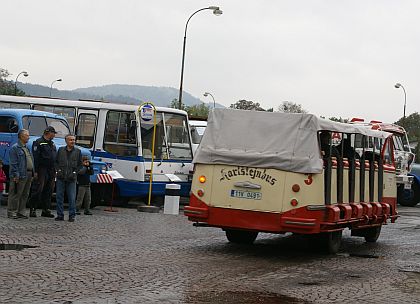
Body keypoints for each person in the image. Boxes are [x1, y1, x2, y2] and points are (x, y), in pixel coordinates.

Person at [29, 126, 57, 218]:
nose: (54, 135)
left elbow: (54, 157)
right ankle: (33, 209)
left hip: (51, 169)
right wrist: (36, 171)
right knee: (38, 189)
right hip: (42, 169)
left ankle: (46, 209)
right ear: (49, 133)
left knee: (49, 190)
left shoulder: (52, 144)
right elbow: (36, 158)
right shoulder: (38, 142)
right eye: (53, 133)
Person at [55, 134, 82, 222]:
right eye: (70, 140)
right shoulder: (60, 150)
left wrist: (74, 173)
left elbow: (80, 165)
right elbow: (56, 162)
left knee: (71, 197)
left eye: (74, 140)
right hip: (61, 177)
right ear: (66, 141)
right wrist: (58, 171)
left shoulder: (78, 151)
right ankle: (60, 215)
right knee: (59, 196)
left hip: (71, 179)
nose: (73, 141)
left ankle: (72, 215)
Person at [7, 129, 33, 219]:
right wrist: (15, 175)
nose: (28, 137)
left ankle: (21, 211)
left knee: (25, 194)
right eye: (27, 135)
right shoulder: (15, 148)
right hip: (20, 174)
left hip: (28, 174)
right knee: (15, 194)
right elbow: (14, 163)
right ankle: (12, 211)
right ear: (21, 136)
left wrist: (33, 172)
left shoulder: (26, 147)